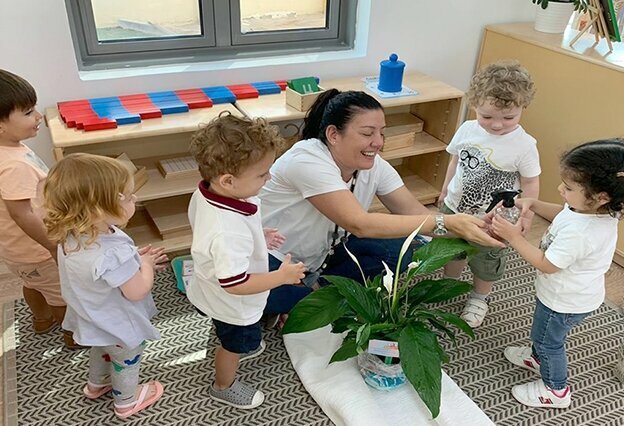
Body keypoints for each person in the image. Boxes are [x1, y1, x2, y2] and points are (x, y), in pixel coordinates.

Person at [259, 89, 505, 316]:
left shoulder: (374, 166)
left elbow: (416, 214)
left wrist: (477, 227)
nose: (378, 142)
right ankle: (305, 299)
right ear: (333, 134)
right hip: (271, 256)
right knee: (257, 296)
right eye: (368, 133)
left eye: (382, 133)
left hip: (321, 257)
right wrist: (448, 222)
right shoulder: (306, 159)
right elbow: (360, 224)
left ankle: (314, 292)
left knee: (401, 249)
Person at [490, 139, 624, 408]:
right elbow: (563, 213)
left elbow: (547, 264)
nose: (561, 189)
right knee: (543, 335)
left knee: (548, 341)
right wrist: (533, 204)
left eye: (569, 188)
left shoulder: (582, 234)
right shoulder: (591, 211)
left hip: (563, 301)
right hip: (567, 294)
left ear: (601, 197)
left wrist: (514, 237)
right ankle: (537, 358)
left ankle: (556, 390)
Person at [186, 113, 306, 409]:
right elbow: (236, 283)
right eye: (262, 174)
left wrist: (257, 236)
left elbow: (221, 238)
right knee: (234, 344)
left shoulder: (208, 192)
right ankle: (223, 386)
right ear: (228, 181)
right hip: (233, 302)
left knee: (233, 330)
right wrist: (281, 277)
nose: (269, 178)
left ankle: (238, 342)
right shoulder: (228, 231)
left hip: (212, 284)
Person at [43, 153, 167, 419]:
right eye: (128, 197)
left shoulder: (71, 236)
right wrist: (145, 264)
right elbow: (137, 291)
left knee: (101, 349)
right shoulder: (112, 254)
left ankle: (96, 384)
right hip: (118, 323)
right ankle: (126, 401)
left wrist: (131, 260)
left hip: (92, 317)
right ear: (99, 209)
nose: (135, 199)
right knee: (126, 361)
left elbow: (97, 271)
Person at [438, 61, 541, 327]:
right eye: (487, 116)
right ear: (474, 105)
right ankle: (448, 284)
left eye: (508, 118)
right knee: (452, 249)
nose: (496, 125)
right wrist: (445, 190)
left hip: (497, 219)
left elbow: (530, 182)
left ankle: (479, 297)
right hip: (456, 208)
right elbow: (455, 161)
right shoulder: (466, 129)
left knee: (487, 258)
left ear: (523, 107)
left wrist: (526, 216)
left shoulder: (524, 145)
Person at [0, 69, 79, 348]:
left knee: (33, 283)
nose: (38, 117)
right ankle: (72, 334)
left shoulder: (10, 150)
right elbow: (21, 213)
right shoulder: (15, 165)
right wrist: (52, 245)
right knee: (60, 293)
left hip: (17, 251)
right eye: (28, 112)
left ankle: (41, 319)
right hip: (37, 250)